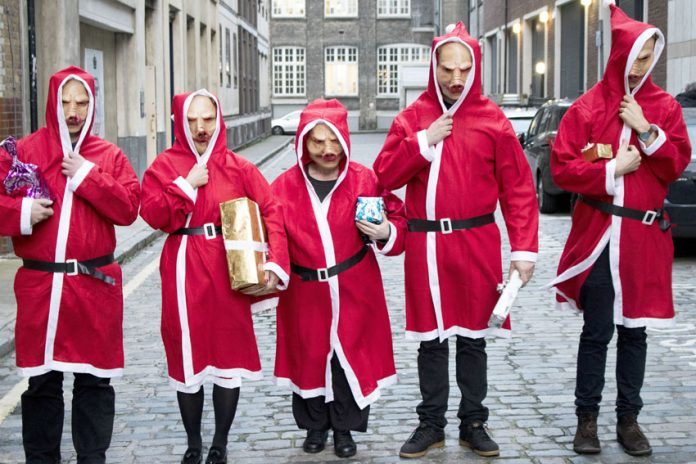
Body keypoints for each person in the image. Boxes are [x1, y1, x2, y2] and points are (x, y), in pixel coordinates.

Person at [373, 23, 538, 459]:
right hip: (427, 246)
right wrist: (423, 142)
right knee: (431, 339)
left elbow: (518, 188)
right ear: (434, 68)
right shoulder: (411, 119)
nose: (456, 79)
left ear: (475, 68)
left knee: (472, 339)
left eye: (465, 69)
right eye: (448, 69)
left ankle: (474, 422)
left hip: (476, 242)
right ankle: (431, 423)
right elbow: (385, 176)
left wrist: (523, 249)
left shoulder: (493, 121)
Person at [546, 3, 691, 457]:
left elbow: (676, 163)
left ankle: (629, 420)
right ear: (620, 55)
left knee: (635, 332)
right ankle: (585, 420)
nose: (640, 68)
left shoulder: (664, 108)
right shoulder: (587, 108)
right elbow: (563, 169)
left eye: (649, 59)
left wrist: (646, 131)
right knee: (597, 331)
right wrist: (612, 169)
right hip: (600, 239)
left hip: (644, 241)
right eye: (635, 57)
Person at [140, 90, 289, 464]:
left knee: (227, 356)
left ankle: (219, 442)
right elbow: (154, 215)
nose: (201, 127)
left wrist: (275, 262)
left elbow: (271, 210)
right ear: (180, 122)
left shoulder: (239, 167)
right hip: (183, 266)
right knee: (186, 353)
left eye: (207, 118)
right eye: (192, 120)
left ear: (218, 118)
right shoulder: (164, 165)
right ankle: (193, 442)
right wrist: (187, 184)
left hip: (228, 268)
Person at [0, 66, 140, 463]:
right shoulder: (23, 153)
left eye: (81, 102)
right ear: (52, 103)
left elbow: (130, 208)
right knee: (41, 385)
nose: (73, 111)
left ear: (92, 105)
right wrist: (24, 211)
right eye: (65, 102)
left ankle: (91, 458)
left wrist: (88, 177)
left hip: (94, 288)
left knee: (94, 383)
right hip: (41, 289)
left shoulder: (108, 155)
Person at [271, 99, 407, 459]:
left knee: (349, 358)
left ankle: (345, 429)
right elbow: (273, 237)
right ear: (303, 143)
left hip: (354, 286)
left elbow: (397, 225)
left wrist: (386, 231)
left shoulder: (365, 180)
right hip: (304, 290)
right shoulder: (283, 187)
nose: (328, 150)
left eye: (334, 141)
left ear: (344, 140)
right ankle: (315, 427)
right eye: (317, 142)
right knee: (309, 356)